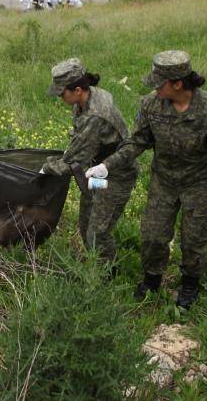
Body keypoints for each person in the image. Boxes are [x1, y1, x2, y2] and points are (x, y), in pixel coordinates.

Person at [85, 51, 207, 310]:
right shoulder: (151, 105)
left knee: (194, 239)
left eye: (159, 83)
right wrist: (107, 165)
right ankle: (152, 279)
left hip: (202, 184)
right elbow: (137, 140)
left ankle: (190, 284)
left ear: (178, 83)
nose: (154, 88)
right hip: (164, 180)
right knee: (152, 235)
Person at [40, 59, 138, 266]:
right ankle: (98, 264)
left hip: (116, 175)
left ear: (77, 90)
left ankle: (106, 275)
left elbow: (72, 162)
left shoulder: (95, 115)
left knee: (98, 233)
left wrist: (44, 169)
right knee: (85, 225)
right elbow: (80, 139)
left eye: (61, 93)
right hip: (95, 171)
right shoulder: (85, 98)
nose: (59, 97)